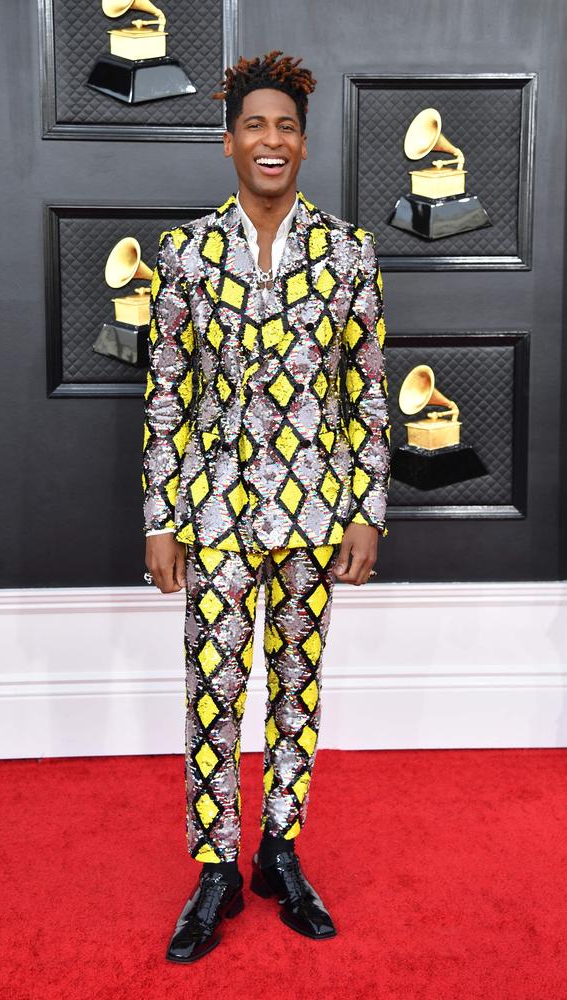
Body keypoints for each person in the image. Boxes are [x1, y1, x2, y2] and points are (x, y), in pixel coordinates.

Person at [142, 50, 390, 963]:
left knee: (294, 694)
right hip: (210, 515)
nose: (272, 139)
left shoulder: (350, 251)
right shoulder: (184, 253)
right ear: (228, 143)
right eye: (256, 125)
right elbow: (166, 391)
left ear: (303, 142)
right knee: (213, 694)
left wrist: (366, 509)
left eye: (286, 126)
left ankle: (279, 854)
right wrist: (160, 518)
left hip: (314, 515)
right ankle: (215, 869)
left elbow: (366, 392)